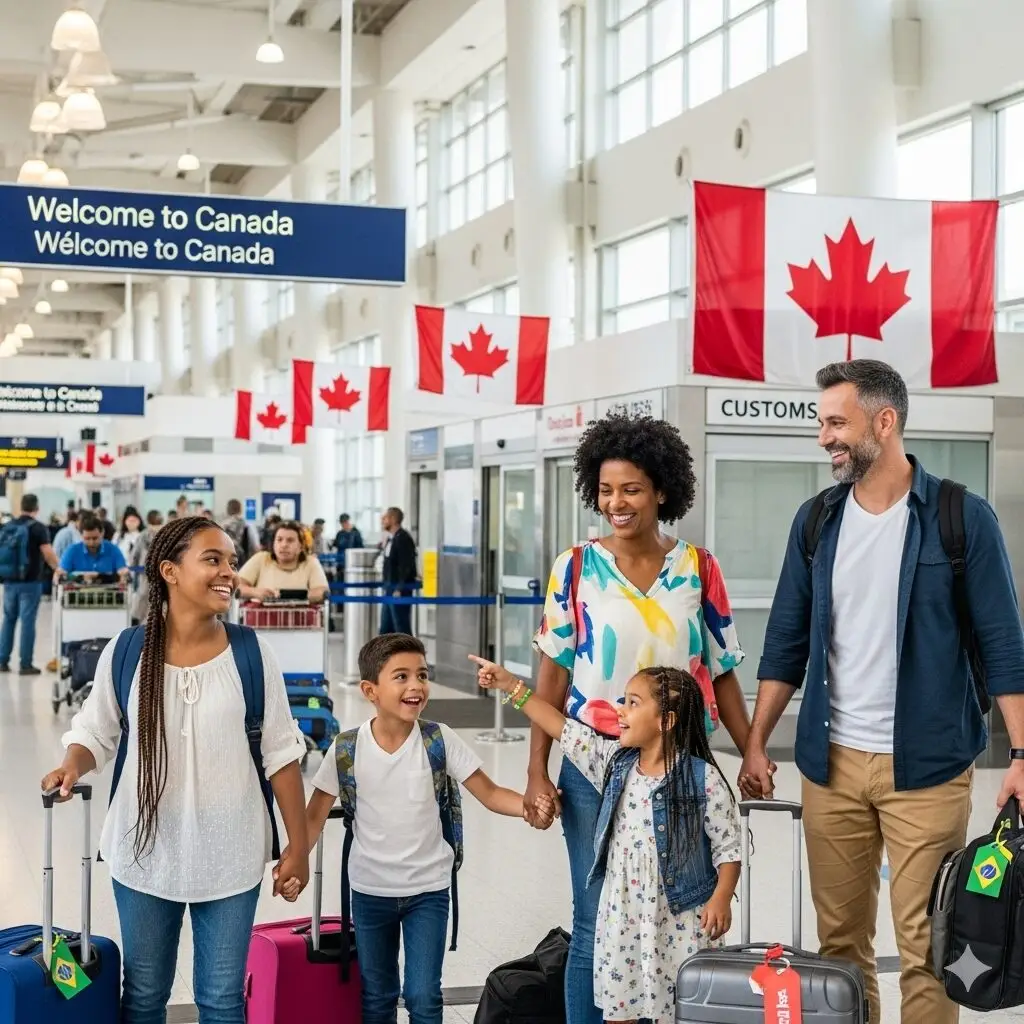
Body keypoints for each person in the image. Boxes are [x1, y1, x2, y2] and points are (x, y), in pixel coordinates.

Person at [739, 359, 1024, 1024]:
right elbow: (785, 644)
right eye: (822, 423)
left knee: (928, 949)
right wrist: (754, 744)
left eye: (836, 422)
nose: (824, 438)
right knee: (841, 950)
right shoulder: (816, 523)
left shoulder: (961, 517)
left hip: (927, 769)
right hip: (830, 766)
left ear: (885, 421)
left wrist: (1022, 756)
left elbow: (1006, 646)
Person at [527, 413, 760, 1024]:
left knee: (680, 914)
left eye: (630, 488)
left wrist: (752, 750)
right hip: (592, 766)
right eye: (606, 490)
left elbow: (724, 670)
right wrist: (536, 772)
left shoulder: (697, 568)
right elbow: (550, 676)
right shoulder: (574, 567)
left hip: (681, 770)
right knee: (595, 917)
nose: (617, 502)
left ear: (661, 489)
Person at [41, 515, 310, 1024]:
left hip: (232, 852)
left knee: (223, 1001)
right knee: (142, 998)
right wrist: (70, 766)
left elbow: (281, 753)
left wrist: (298, 848)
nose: (228, 572)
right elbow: (95, 731)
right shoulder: (126, 652)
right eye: (212, 560)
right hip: (145, 851)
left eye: (231, 562)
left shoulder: (252, 653)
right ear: (169, 570)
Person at [288, 633, 554, 1024]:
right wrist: (294, 862)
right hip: (370, 891)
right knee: (377, 995)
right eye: (401, 677)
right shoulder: (346, 748)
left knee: (423, 995)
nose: (416, 686)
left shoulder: (438, 739)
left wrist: (530, 808)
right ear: (370, 690)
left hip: (428, 891)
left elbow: (491, 793)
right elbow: (313, 817)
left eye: (422, 675)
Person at [473, 656, 740, 1024]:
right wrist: (510, 687)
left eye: (633, 702)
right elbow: (562, 727)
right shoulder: (616, 762)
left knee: (679, 1008)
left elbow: (728, 846)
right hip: (623, 918)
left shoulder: (703, 779)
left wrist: (722, 898)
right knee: (620, 1008)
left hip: (680, 921)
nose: (620, 710)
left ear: (666, 721)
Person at [0, 493, 59, 675]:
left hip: (9, 581)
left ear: (21, 506)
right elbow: (48, 553)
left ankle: (2, 661)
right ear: (37, 507)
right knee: (27, 621)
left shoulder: (8, 526)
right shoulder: (38, 528)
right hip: (31, 582)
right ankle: (26, 664)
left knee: (8, 620)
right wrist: (59, 569)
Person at [237, 520, 329, 604]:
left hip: (302, 620)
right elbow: (237, 585)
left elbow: (322, 592)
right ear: (273, 544)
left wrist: (292, 597)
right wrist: (255, 592)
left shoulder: (310, 562)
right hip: (260, 619)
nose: (284, 545)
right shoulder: (261, 558)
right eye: (279, 540)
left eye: (290, 540)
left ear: (301, 546)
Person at [55, 513, 132, 582]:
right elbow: (61, 574)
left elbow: (122, 572)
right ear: (81, 535)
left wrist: (123, 574)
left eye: (95, 538)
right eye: (87, 539)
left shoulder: (113, 550)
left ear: (102, 533)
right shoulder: (72, 551)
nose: (91, 543)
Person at [380, 507, 418, 636]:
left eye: (385, 518)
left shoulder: (403, 539)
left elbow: (406, 565)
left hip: (399, 590)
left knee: (401, 626)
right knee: (386, 627)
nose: (382, 520)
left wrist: (400, 587)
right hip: (389, 588)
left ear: (393, 519)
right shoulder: (392, 539)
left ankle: (409, 654)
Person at [130, 511, 165, 624]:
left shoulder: (166, 535)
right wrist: (133, 569)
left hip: (161, 577)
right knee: (144, 597)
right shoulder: (143, 536)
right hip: (144, 576)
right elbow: (134, 556)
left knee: (160, 602)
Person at [221, 499, 260, 564]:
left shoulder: (221, 526)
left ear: (227, 510)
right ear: (240, 509)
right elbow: (256, 547)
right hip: (243, 563)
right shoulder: (248, 525)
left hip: (225, 563)